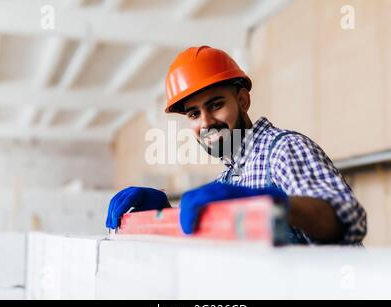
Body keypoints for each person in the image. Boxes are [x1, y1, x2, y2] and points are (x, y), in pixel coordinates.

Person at [106, 46, 367, 245]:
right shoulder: (229, 176)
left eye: (216, 105)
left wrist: (272, 204)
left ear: (242, 100)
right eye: (194, 114)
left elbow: (347, 217)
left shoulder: (284, 150)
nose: (206, 122)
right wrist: (166, 215)